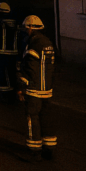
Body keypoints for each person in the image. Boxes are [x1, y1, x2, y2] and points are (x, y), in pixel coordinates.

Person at [17, 15, 56, 162]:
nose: (25, 31)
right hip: (47, 89)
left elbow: (30, 69)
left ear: (31, 27)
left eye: (26, 28)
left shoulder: (33, 45)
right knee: (46, 118)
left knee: (32, 119)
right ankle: (49, 148)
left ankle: (34, 150)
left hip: (34, 90)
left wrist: (23, 86)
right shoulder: (48, 43)